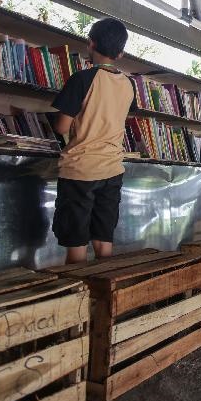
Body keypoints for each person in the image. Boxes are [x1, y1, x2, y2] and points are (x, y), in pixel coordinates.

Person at [50, 18, 137, 264]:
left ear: (90, 43)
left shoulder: (82, 79)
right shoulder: (128, 85)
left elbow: (62, 126)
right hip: (112, 170)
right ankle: (103, 296)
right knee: (103, 238)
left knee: (76, 241)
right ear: (120, 53)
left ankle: (78, 296)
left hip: (80, 170)